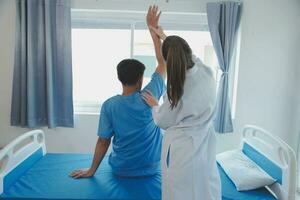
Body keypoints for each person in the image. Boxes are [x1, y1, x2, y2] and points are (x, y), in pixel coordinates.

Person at [70, 5, 166, 178]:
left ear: (119, 78)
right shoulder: (150, 95)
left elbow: (103, 141)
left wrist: (91, 171)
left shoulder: (109, 105)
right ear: (139, 80)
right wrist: (153, 31)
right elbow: (162, 63)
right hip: (152, 168)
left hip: (121, 170)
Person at [142, 26, 221, 199]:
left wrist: (155, 105)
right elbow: (188, 55)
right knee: (205, 185)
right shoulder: (206, 72)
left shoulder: (176, 94)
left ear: (168, 61)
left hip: (183, 149)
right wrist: (164, 36)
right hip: (204, 141)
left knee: (180, 191)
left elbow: (162, 120)